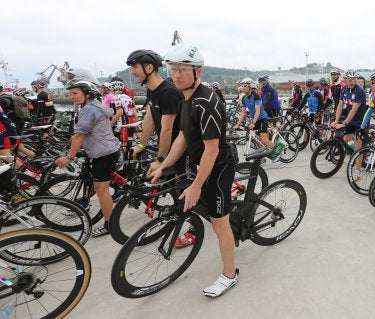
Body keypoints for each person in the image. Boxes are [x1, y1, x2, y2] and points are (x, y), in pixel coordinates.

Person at [150, 43, 238, 298]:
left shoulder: (206, 102)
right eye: (172, 68)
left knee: (220, 224)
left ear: (197, 71)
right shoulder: (185, 97)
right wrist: (164, 163)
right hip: (204, 164)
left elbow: (211, 151)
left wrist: (196, 185)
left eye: (182, 69)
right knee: (207, 208)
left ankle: (230, 275)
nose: (175, 74)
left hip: (219, 165)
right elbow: (182, 135)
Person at [55, 80, 121, 237]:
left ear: (87, 93)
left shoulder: (89, 110)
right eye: (70, 94)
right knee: (100, 183)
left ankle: (109, 224)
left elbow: (79, 136)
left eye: (75, 93)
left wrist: (69, 158)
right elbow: (80, 134)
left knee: (102, 191)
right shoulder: (93, 105)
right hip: (107, 150)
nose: (72, 97)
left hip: (103, 154)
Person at [127, 49, 188, 180]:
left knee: (181, 192)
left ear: (149, 68)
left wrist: (160, 160)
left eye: (135, 67)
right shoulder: (152, 90)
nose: (132, 72)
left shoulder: (168, 92)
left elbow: (167, 129)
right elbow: (150, 119)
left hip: (181, 151)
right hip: (168, 149)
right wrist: (141, 144)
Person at [235, 79, 282, 160]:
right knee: (254, 137)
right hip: (254, 119)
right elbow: (243, 112)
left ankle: (277, 151)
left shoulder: (256, 96)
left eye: (245, 86)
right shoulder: (244, 98)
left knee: (263, 139)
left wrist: (253, 122)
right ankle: (262, 154)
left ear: (250, 87)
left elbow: (257, 111)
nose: (243, 87)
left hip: (262, 118)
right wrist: (238, 124)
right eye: (242, 86)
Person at [332, 69, 368, 153]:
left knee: (358, 148)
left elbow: (354, 110)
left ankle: (358, 166)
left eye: (354, 80)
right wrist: (336, 121)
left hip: (361, 121)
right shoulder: (344, 89)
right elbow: (340, 106)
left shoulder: (360, 91)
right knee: (345, 140)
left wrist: (344, 124)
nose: (352, 82)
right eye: (349, 80)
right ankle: (347, 153)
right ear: (345, 80)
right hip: (351, 120)